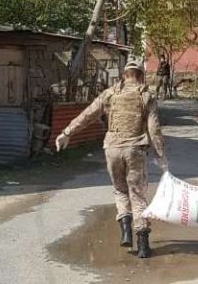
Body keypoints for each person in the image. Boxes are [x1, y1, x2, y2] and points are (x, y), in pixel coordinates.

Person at [55, 60, 167, 259]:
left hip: (112, 149)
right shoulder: (147, 96)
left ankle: (125, 228)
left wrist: (66, 133)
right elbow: (154, 129)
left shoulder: (110, 94)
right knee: (137, 195)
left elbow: (88, 114)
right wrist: (160, 155)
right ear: (141, 76)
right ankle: (142, 244)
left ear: (124, 75)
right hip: (135, 150)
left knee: (120, 190)